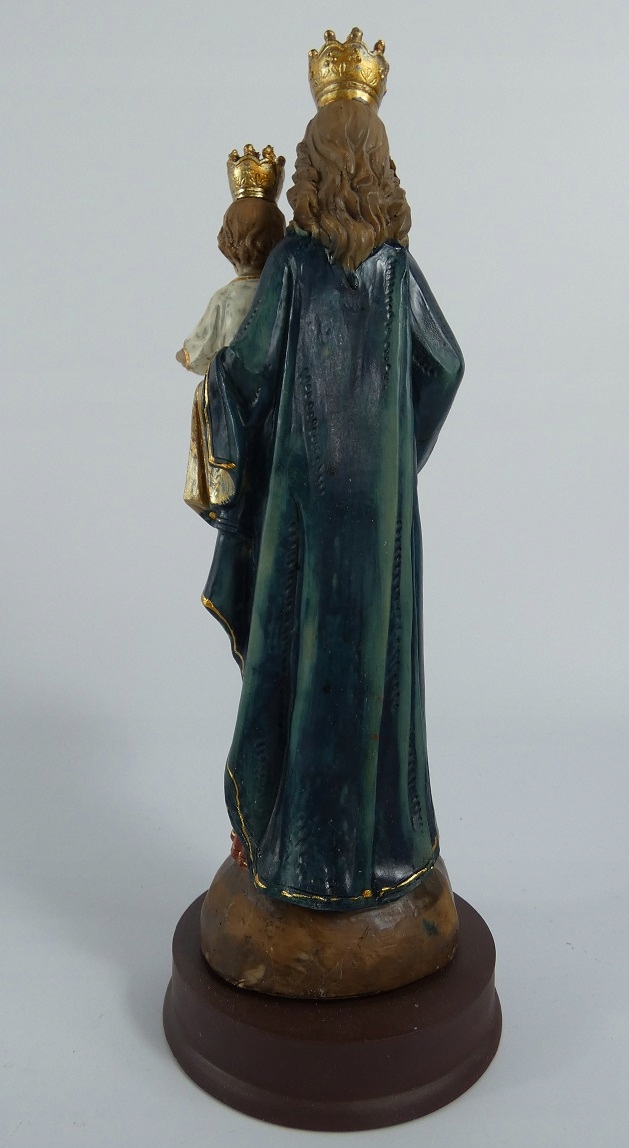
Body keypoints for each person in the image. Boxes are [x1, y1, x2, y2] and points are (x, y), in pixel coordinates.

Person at [202, 31, 464, 911]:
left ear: (312, 163)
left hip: (304, 505)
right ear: (379, 163)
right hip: (379, 512)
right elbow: (446, 366)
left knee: (302, 658)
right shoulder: (396, 270)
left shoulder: (292, 267)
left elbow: (246, 373)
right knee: (374, 665)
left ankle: (303, 857)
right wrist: (397, 456)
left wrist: (215, 391)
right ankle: (387, 851)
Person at [176, 145, 285, 516]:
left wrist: (185, 356)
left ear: (228, 245)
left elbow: (196, 351)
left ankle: (225, 492)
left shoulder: (224, 298)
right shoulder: (283, 294)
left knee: (205, 398)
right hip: (273, 399)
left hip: (231, 403)